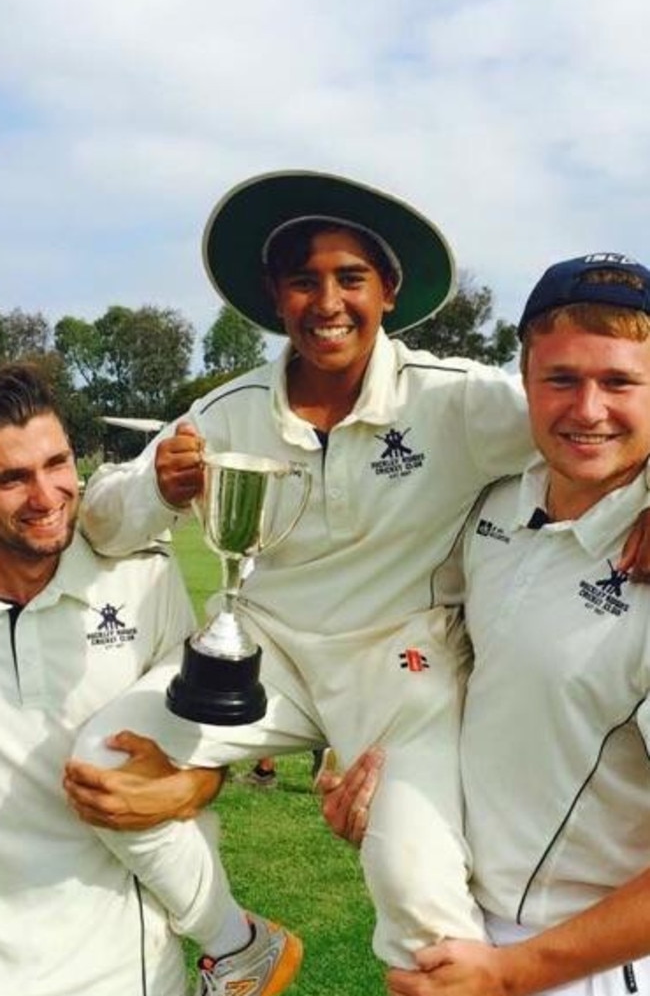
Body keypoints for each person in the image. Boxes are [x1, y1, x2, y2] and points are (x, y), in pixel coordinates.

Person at [70, 172, 645, 971]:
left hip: (400, 667)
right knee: (99, 760)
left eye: (350, 278)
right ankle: (241, 947)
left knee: (418, 898)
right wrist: (152, 486)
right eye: (305, 280)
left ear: (388, 292)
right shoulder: (228, 408)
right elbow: (100, 516)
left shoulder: (455, 400)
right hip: (264, 656)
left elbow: (594, 419)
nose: (328, 301)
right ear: (275, 295)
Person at [327, 254, 650, 996]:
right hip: (454, 932)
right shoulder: (497, 504)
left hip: (579, 964)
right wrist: (384, 789)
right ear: (526, 381)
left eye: (621, 381)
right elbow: (447, 671)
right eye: (562, 378)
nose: (588, 409)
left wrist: (513, 973)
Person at [0, 362, 301, 996]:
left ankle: (239, 945)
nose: (47, 496)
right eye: (12, 478)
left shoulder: (142, 576)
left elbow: (201, 739)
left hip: (127, 972)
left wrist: (190, 786)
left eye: (57, 464)